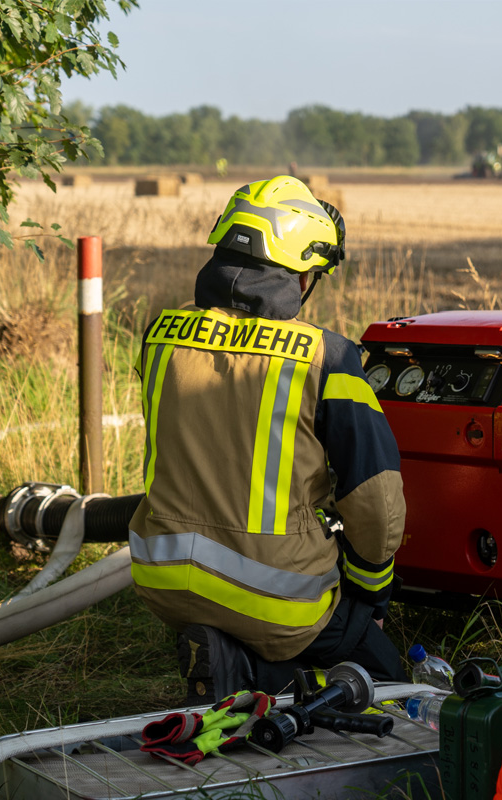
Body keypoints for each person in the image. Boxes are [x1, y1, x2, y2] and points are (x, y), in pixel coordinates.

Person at [128, 175, 408, 703]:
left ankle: (217, 649)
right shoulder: (328, 359)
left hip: (161, 575)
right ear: (300, 275)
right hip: (276, 596)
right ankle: (249, 673)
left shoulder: (159, 335)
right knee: (383, 677)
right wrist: (370, 590)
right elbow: (376, 504)